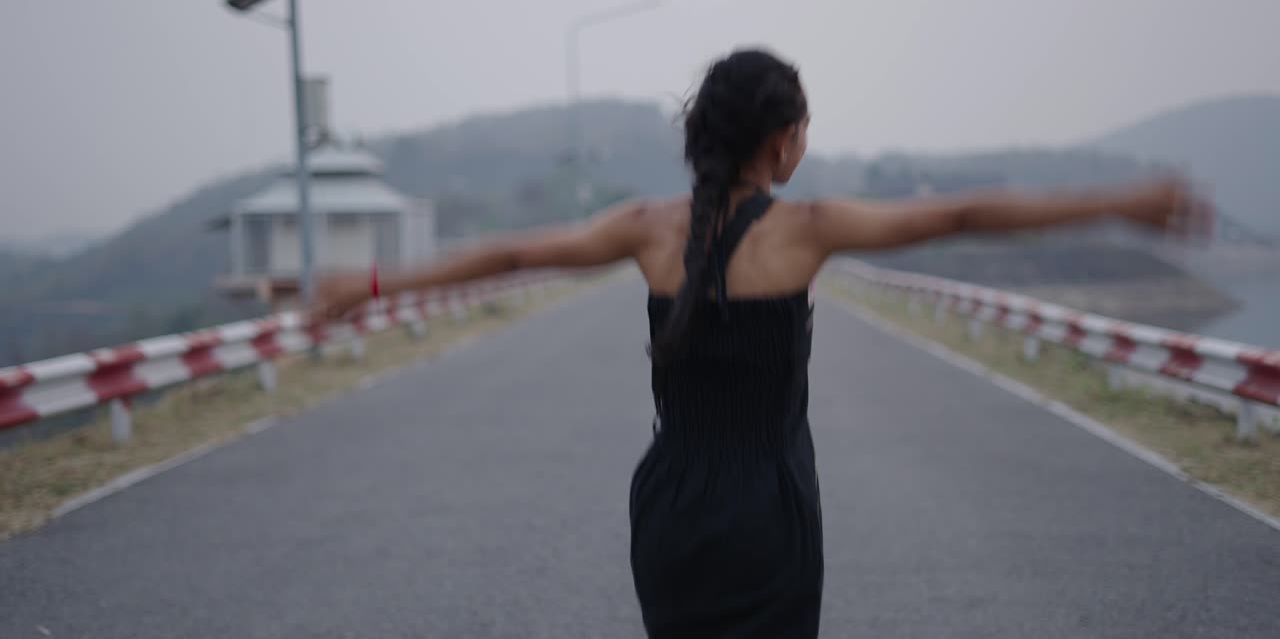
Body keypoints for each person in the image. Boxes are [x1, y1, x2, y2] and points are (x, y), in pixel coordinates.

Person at [310, 48, 1209, 638]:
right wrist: (1120, 204)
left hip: (669, 510)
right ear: (782, 142)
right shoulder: (808, 227)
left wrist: (372, 284)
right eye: (803, 130)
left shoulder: (645, 228)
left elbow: (510, 253)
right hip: (767, 517)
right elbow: (964, 214)